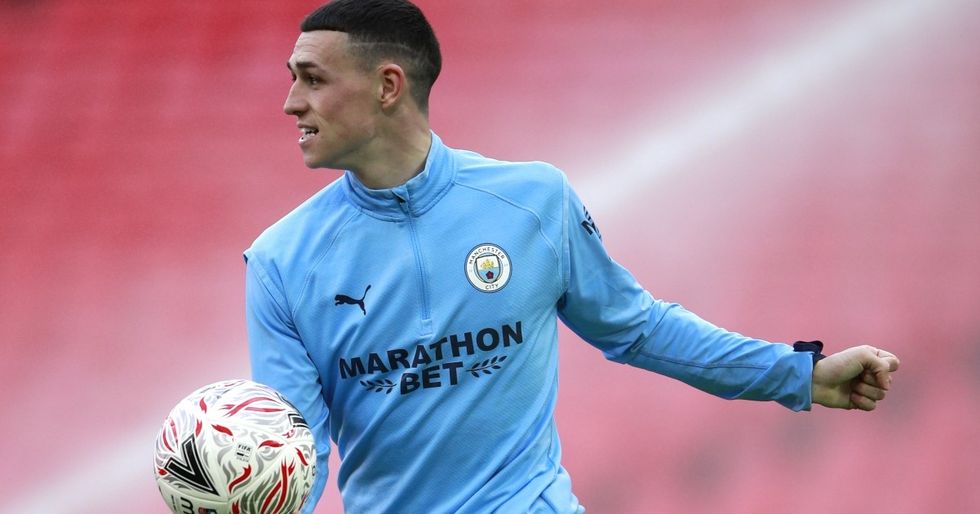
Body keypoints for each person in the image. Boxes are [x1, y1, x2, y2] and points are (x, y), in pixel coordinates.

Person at [244, 1, 901, 513]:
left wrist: (799, 374)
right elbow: (294, 455)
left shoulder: (534, 201)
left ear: (388, 85)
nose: (290, 102)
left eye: (312, 79)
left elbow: (639, 328)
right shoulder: (280, 261)